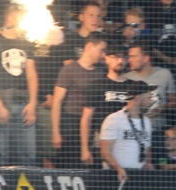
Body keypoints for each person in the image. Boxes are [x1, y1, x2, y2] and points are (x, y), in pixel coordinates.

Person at [0, 7, 38, 166]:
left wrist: (33, 103)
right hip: (3, 102)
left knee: (29, 154)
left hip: (24, 103)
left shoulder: (26, 42)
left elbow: (31, 74)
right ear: (11, 16)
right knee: (1, 153)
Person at [52, 34, 106, 166]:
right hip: (71, 124)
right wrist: (55, 132)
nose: (103, 55)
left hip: (93, 123)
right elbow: (57, 102)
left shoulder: (101, 72)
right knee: (70, 164)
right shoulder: (69, 70)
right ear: (89, 46)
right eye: (101, 50)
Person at [99, 80, 155, 181]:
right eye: (149, 98)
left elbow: (147, 147)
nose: (151, 102)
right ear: (138, 98)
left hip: (140, 176)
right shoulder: (114, 119)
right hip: (116, 176)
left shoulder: (147, 121)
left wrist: (148, 162)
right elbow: (105, 151)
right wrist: (118, 169)